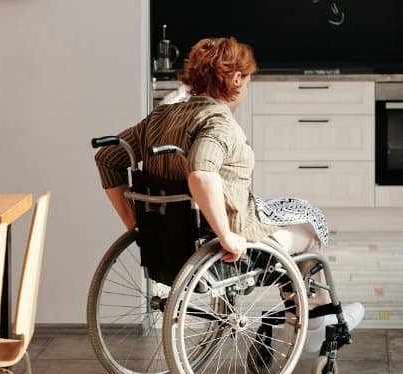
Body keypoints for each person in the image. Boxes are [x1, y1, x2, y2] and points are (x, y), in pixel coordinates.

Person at [94, 37, 364, 350]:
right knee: (310, 227)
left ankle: (306, 312)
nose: (247, 86)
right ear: (236, 79)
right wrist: (226, 237)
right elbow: (201, 173)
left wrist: (133, 220)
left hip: (174, 236)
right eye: (247, 79)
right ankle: (314, 319)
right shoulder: (219, 123)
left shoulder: (160, 118)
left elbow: (107, 157)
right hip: (227, 235)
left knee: (296, 207)